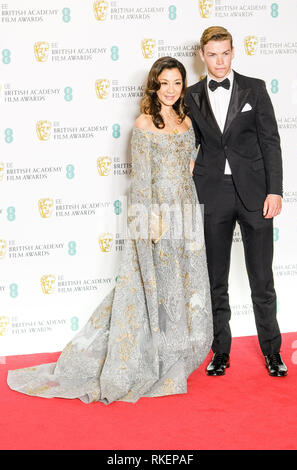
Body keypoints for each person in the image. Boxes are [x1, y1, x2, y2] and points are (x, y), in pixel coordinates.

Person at [7, 57, 213, 404]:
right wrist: (150, 220)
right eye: (165, 83)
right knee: (154, 284)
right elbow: (142, 179)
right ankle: (150, 356)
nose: (171, 90)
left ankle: (178, 348)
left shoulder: (187, 121)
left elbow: (188, 163)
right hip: (158, 212)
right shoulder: (145, 124)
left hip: (187, 208)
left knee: (182, 281)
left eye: (177, 83)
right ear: (154, 86)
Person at [185, 26, 288, 377]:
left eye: (225, 53)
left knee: (262, 279)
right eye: (212, 54)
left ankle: (272, 352)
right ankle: (220, 352)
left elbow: (271, 141)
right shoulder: (190, 95)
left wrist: (275, 190)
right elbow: (189, 142)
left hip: (256, 195)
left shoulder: (254, 89)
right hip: (213, 193)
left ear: (233, 52)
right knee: (216, 279)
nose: (219, 60)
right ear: (202, 55)